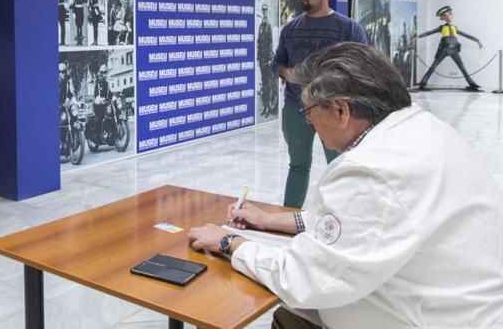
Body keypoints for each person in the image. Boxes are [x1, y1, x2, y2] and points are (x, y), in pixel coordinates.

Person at [188, 42, 503, 329]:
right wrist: (271, 220)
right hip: (452, 303)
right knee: (290, 317)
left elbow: (304, 279)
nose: (310, 123)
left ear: (340, 110)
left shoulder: (371, 170)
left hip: (421, 316)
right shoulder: (425, 129)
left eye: (310, 113)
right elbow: (359, 223)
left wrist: (229, 242)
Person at [272, 0, 367, 209]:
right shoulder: (290, 29)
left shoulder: (348, 29)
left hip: (334, 110)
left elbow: (363, 67)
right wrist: (287, 73)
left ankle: (342, 217)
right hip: (296, 109)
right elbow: (276, 63)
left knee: (340, 167)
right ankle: (288, 215)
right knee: (298, 165)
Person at [415, 5, 483, 91]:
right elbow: (430, 32)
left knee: (462, 67)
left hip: (454, 50)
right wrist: (419, 36)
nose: (448, 17)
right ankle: (423, 82)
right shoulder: (442, 28)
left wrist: (477, 40)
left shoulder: (455, 28)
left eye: (450, 14)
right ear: (442, 18)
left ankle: (472, 83)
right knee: (434, 66)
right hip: (444, 49)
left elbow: (466, 35)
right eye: (445, 15)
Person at [257, 3, 274, 117]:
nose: (264, 12)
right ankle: (264, 107)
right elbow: (259, 42)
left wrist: (269, 58)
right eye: (263, 11)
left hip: (267, 60)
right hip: (262, 59)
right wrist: (258, 57)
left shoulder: (268, 26)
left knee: (267, 85)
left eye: (265, 11)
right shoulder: (260, 26)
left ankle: (268, 107)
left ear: (267, 12)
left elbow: (270, 43)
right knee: (263, 84)